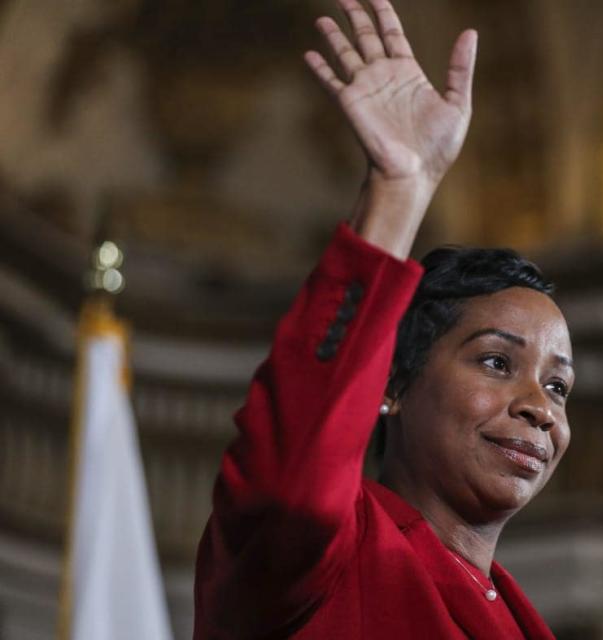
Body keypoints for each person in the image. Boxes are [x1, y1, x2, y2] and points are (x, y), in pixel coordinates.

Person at [193, 0, 574, 637]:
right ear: (392, 385)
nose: (540, 406)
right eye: (497, 362)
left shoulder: (521, 623)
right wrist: (401, 190)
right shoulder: (324, 556)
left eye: (558, 385)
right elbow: (293, 480)